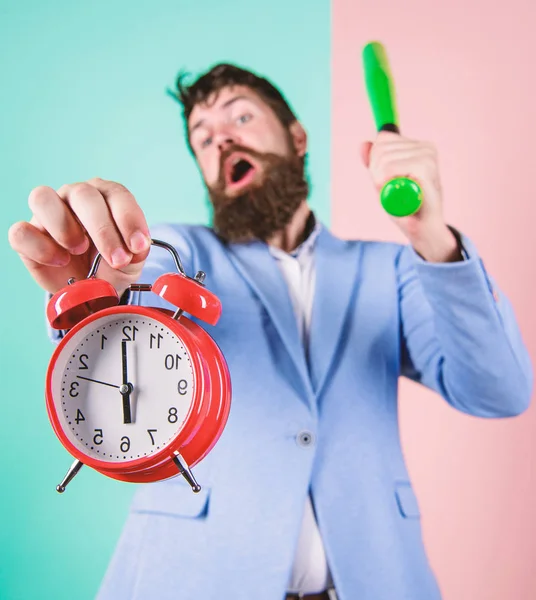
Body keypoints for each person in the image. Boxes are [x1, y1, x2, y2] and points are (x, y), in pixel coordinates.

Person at [8, 63, 533, 600]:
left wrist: (433, 235)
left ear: (297, 137)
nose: (222, 139)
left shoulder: (394, 269)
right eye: (203, 138)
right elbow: (135, 313)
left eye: (240, 115)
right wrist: (103, 289)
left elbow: (499, 390)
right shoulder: (181, 253)